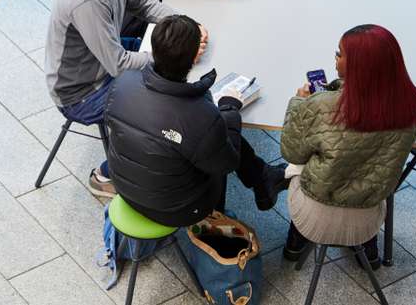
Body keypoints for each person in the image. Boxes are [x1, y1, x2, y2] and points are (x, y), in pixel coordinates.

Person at [44, 0, 206, 197]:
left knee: (169, 78)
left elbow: (142, 3)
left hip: (103, 59)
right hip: (81, 92)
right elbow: (118, 65)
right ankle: (105, 175)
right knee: (159, 114)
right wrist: (176, 52)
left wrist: (185, 26)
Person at [104, 15, 287, 226]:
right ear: (194, 59)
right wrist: (229, 108)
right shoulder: (200, 115)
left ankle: (263, 179)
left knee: (209, 137)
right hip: (176, 210)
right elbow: (228, 163)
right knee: (218, 139)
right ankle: (254, 187)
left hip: (124, 188)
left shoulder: (122, 81)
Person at [281, 24, 416, 269]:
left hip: (315, 216)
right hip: (368, 218)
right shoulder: (415, 109)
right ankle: (368, 253)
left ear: (358, 67)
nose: (335, 58)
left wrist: (299, 103)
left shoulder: (322, 105)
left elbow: (291, 151)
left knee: (297, 164)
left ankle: (294, 246)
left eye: (339, 53)